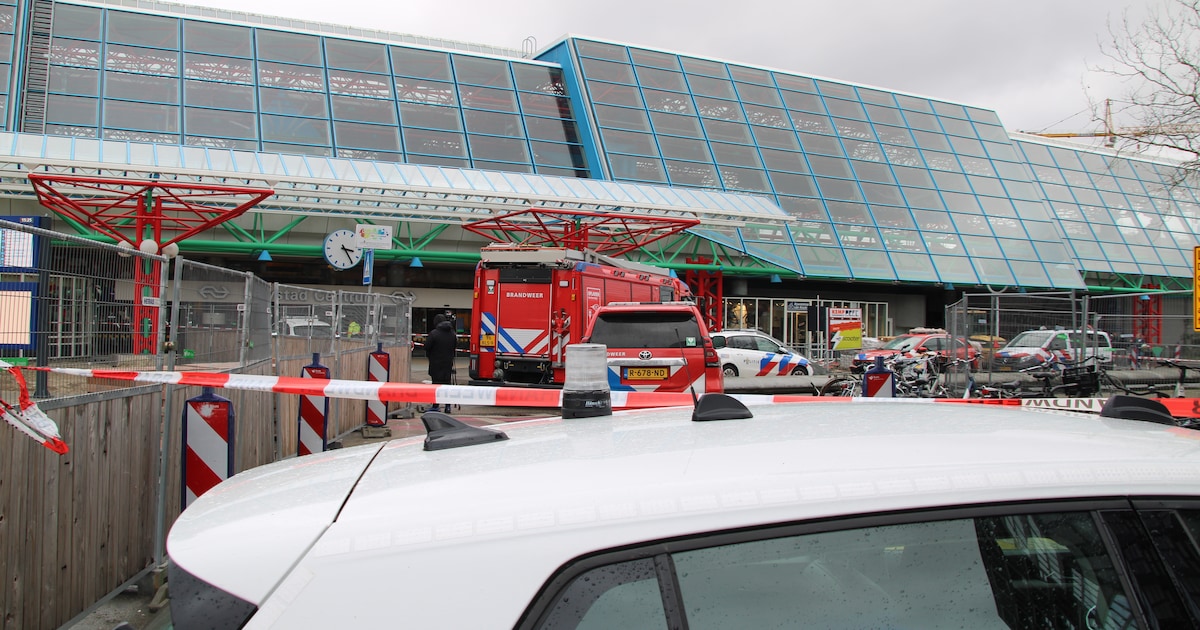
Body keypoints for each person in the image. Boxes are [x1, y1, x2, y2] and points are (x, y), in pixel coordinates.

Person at [424, 313, 457, 412]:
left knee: (436, 385)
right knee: (447, 385)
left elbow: (426, 346)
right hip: (448, 363)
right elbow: (454, 346)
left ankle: (435, 406)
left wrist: (430, 355)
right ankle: (447, 406)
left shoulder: (434, 333)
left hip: (435, 363)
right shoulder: (452, 334)